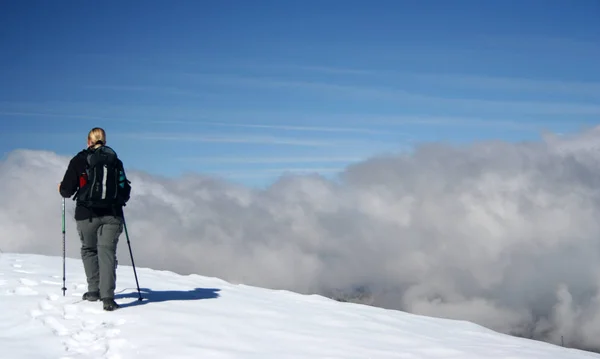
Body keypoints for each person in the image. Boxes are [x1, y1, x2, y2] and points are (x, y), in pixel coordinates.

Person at [58, 127, 130, 311]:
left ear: (88, 141)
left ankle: (93, 291)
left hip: (86, 215)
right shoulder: (115, 161)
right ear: (104, 141)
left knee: (89, 250)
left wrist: (60, 188)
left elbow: (67, 191)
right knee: (107, 252)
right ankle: (108, 298)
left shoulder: (79, 160)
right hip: (112, 214)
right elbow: (125, 190)